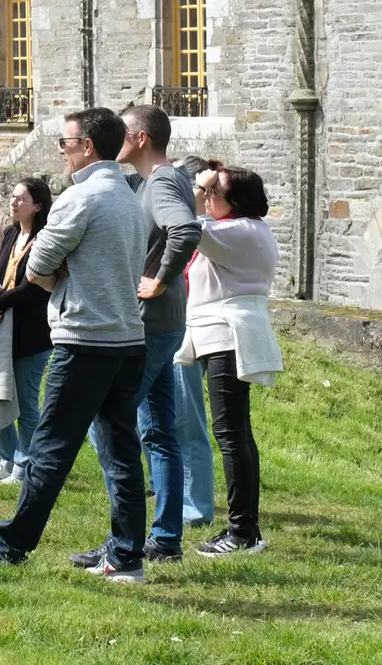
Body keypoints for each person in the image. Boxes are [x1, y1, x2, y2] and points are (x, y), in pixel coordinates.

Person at [0, 106, 151, 583]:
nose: (61, 150)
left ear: (87, 147)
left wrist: (63, 278)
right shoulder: (130, 197)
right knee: (121, 450)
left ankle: (11, 546)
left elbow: (36, 267)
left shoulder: (80, 198)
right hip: (128, 340)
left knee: (51, 448)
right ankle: (126, 555)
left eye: (65, 142)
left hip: (85, 340)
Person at [73, 104, 201, 566]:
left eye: (123, 132)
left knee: (107, 423)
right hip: (162, 323)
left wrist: (161, 279)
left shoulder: (162, 182)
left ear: (141, 138)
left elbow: (185, 231)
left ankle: (123, 540)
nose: (116, 139)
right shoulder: (156, 180)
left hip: (151, 323)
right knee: (159, 432)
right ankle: (165, 539)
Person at [180, 164, 283, 557]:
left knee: (231, 435)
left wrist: (198, 184)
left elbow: (186, 225)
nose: (207, 197)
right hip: (225, 336)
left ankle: (243, 532)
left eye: (215, 191)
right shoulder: (243, 230)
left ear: (236, 200)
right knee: (237, 434)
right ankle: (245, 527)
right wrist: (210, 187)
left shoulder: (239, 231)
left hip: (227, 337)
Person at [0, 176, 55, 485]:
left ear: (37, 206)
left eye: (22, 198)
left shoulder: (45, 239)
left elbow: (33, 287)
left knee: (24, 399)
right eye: (12, 196)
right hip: (1, 330)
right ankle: (5, 461)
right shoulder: (9, 234)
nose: (13, 201)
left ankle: (26, 466)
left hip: (32, 333)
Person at [172, 154, 221, 528]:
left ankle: (196, 505)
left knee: (187, 419)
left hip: (191, 330)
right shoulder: (184, 228)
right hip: (172, 326)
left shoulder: (209, 232)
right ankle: (169, 489)